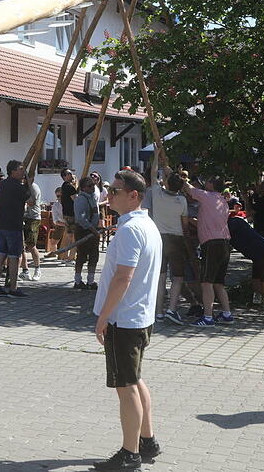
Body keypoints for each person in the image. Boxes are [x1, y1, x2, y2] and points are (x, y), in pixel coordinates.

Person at [92, 169, 162, 471]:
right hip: (139, 316)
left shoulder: (132, 229)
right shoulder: (144, 224)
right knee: (134, 379)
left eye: (116, 191)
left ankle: (130, 453)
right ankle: (147, 441)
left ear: (133, 196)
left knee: (126, 386)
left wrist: (103, 317)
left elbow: (123, 277)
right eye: (109, 189)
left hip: (126, 319)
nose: (109, 196)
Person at [183, 176, 234, 326]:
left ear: (212, 185)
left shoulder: (206, 196)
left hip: (211, 244)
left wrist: (181, 177)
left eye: (207, 181)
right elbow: (209, 220)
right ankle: (226, 314)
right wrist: (192, 220)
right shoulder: (222, 201)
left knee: (206, 283)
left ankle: (208, 317)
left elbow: (189, 189)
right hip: (225, 242)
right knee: (219, 283)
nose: (205, 183)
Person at [148, 164, 192, 325]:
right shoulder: (181, 200)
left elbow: (153, 175)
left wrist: (156, 157)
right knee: (178, 277)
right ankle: (172, 309)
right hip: (176, 239)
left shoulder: (157, 194)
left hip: (158, 238)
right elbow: (185, 225)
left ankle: (158, 312)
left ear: (166, 183)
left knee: (160, 277)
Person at [0, 160, 31, 297]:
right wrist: (28, 183)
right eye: (20, 169)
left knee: (1, 255)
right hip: (13, 225)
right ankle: (13, 288)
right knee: (14, 257)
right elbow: (30, 199)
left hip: (2, 224)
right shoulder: (17, 186)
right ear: (12, 171)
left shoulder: (3, 184)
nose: (23, 172)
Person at [73, 177, 101, 290]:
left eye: (93, 185)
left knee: (94, 256)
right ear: (83, 188)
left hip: (93, 229)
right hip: (83, 231)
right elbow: (81, 218)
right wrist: (92, 229)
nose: (92, 187)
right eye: (89, 186)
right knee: (81, 256)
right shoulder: (80, 199)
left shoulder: (92, 198)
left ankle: (91, 281)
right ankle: (78, 281)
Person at [19, 179, 42, 282]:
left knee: (31, 245)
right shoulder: (23, 187)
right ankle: (25, 271)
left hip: (33, 218)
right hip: (23, 217)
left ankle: (37, 269)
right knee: (21, 246)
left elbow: (31, 202)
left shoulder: (33, 187)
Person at [59, 169, 79, 264]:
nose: (72, 175)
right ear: (64, 176)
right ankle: (71, 257)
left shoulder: (64, 186)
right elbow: (76, 200)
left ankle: (65, 256)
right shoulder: (69, 187)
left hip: (66, 213)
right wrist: (76, 186)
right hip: (71, 214)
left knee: (68, 235)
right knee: (74, 236)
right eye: (69, 174)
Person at [45, 187, 66, 257]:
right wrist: (64, 224)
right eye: (58, 196)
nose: (60, 198)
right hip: (60, 224)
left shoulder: (69, 203)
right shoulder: (56, 205)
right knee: (53, 242)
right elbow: (55, 220)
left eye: (61, 196)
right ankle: (54, 253)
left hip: (69, 224)